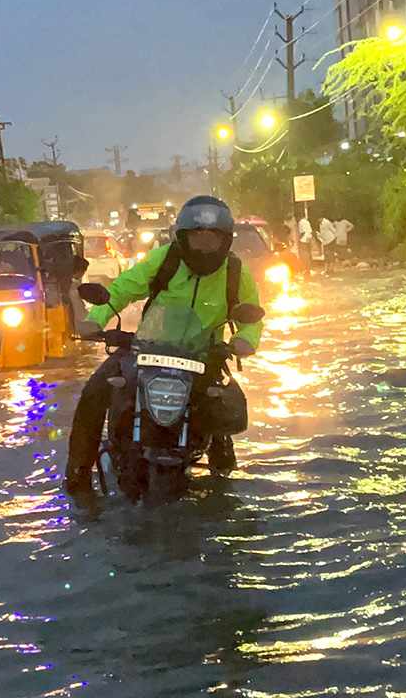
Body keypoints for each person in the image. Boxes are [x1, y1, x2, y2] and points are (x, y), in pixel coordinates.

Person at [65, 195, 264, 493]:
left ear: (225, 241)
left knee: (225, 413)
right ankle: (77, 478)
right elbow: (122, 289)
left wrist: (244, 340)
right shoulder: (164, 260)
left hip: (204, 357)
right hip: (148, 351)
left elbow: (252, 317)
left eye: (212, 238)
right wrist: (96, 319)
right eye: (197, 237)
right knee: (94, 394)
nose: (204, 245)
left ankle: (224, 481)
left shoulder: (237, 273)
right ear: (183, 237)